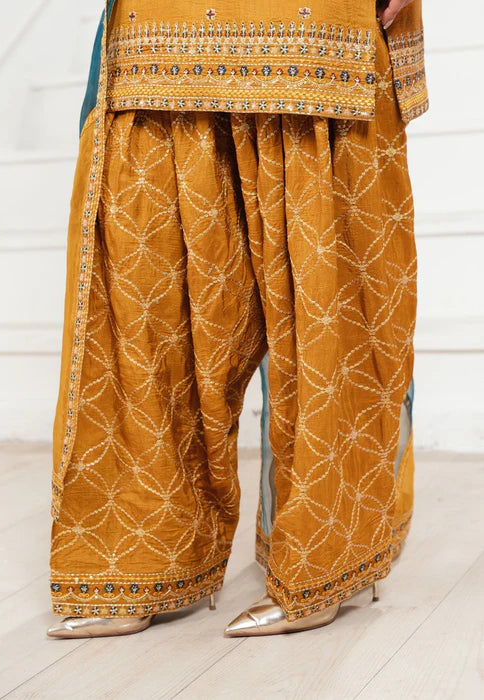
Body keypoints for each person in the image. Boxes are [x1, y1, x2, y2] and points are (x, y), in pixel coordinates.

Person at [47, 0, 427, 638]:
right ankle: (140, 557)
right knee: (145, 295)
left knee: (325, 298)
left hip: (314, 31)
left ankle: (327, 562)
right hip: (157, 29)